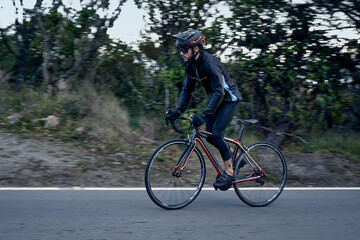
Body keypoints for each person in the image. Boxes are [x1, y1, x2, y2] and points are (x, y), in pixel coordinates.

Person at [167, 29, 242, 191]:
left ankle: (229, 171)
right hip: (217, 100)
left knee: (216, 133)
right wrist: (178, 112)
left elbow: (219, 92)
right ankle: (235, 156)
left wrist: (204, 114)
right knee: (209, 136)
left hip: (229, 100)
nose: (181, 53)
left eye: (184, 49)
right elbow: (187, 90)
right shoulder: (191, 66)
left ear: (195, 48)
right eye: (180, 50)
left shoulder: (210, 63)